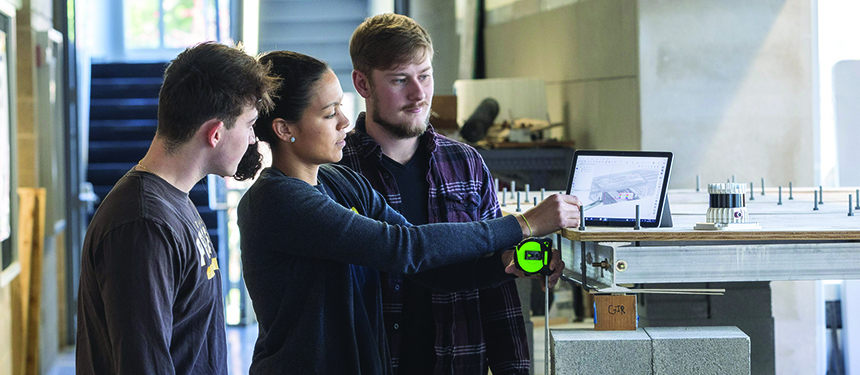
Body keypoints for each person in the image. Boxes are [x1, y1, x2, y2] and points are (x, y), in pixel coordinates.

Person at [236, 50, 580, 374]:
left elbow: (428, 268)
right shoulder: (276, 200)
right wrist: (524, 224)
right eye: (329, 114)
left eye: (340, 107)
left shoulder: (341, 181)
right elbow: (406, 248)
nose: (344, 121)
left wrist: (506, 263)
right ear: (284, 129)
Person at [339, 13, 530, 374]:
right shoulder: (337, 171)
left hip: (458, 362)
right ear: (362, 84)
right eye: (400, 80)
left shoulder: (466, 163)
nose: (419, 94)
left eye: (424, 76)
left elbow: (496, 284)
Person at [76, 42, 278, 375]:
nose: (253, 138)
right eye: (249, 124)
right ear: (215, 133)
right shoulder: (143, 223)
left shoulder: (172, 201)